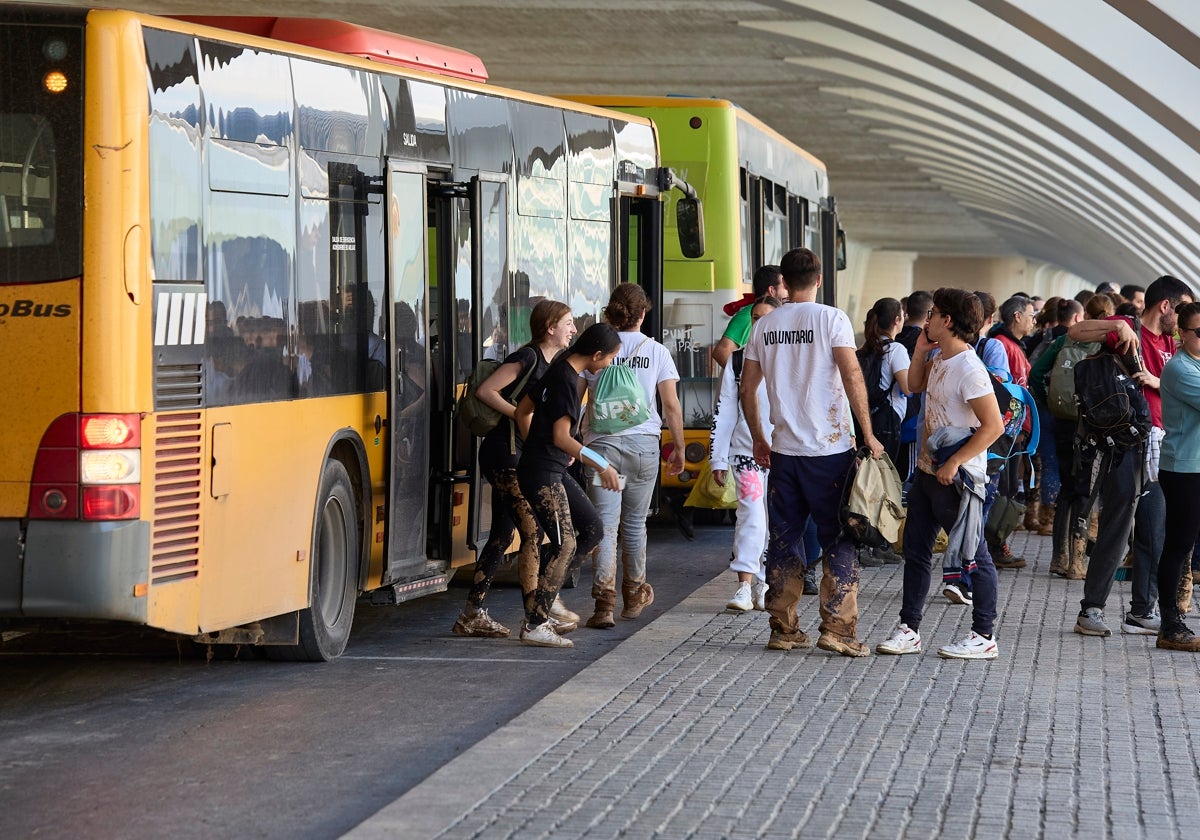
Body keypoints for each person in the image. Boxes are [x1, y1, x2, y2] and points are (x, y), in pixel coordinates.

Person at [739, 247, 884, 656]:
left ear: (783, 283)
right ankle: (837, 628)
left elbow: (747, 387)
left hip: (783, 452)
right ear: (819, 280)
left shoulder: (764, 326)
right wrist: (868, 433)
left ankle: (783, 629)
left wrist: (758, 437)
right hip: (830, 451)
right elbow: (851, 373)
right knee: (838, 537)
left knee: (784, 540)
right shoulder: (831, 319)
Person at [876, 288, 1005, 659]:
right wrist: (919, 350)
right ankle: (909, 628)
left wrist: (953, 462)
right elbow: (913, 386)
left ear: (946, 321)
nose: (926, 319)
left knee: (973, 555)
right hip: (928, 476)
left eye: (933, 314)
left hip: (958, 481)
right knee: (916, 551)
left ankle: (984, 635)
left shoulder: (970, 369)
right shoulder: (939, 359)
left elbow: (992, 426)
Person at [1070, 274, 1194, 638]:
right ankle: (1091, 609)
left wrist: (1159, 382)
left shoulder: (1178, 343)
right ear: (1166, 306)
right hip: (1127, 443)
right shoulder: (1130, 329)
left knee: (1155, 530)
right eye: (1182, 308)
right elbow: (1076, 334)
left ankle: (1143, 609)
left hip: (1163, 446)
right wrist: (1115, 328)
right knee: (1117, 527)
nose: (1186, 318)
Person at [451, 300, 579, 638]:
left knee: (502, 534)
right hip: (503, 455)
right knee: (533, 532)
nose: (574, 328)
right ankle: (535, 619)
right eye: (568, 322)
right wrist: (521, 416)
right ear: (550, 327)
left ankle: (472, 614)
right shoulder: (528, 357)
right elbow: (485, 390)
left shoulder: (557, 364)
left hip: (519, 457)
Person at [513, 323, 623, 648]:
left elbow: (522, 412)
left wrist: (539, 443)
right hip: (543, 472)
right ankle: (535, 623)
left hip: (549, 468)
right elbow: (561, 437)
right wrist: (600, 463)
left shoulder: (561, 368)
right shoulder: (565, 380)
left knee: (591, 529)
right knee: (565, 545)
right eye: (609, 359)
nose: (608, 365)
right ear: (597, 354)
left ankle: (547, 599)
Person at [583, 283, 686, 628]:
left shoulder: (595, 349)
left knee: (606, 527)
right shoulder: (656, 351)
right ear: (643, 313)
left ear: (610, 312)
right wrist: (679, 448)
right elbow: (670, 405)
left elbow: (577, 397)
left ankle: (602, 605)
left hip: (602, 449)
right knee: (634, 523)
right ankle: (634, 595)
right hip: (643, 446)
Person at [710, 296, 779, 612]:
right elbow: (724, 411)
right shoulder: (737, 362)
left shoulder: (790, 358)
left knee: (774, 520)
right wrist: (717, 458)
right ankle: (744, 585)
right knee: (750, 516)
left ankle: (767, 584)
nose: (760, 323)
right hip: (745, 452)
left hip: (784, 454)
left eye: (767, 317)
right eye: (756, 317)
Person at [1028, 298, 1088, 575]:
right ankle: (1078, 560)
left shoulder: (1061, 341)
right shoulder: (1102, 346)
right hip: (1089, 425)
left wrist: (1049, 402)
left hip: (1061, 420)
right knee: (1084, 490)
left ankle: (1058, 557)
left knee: (1066, 486)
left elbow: (1037, 372)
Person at [1155, 301, 1200, 651]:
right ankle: (1170, 622)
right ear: (1181, 334)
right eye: (1199, 332)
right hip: (1184, 469)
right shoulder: (1180, 369)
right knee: (1178, 545)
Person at [855, 297, 910, 464]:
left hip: (863, 421)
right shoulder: (895, 349)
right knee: (883, 477)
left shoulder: (862, 350)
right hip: (886, 423)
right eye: (903, 315)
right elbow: (908, 388)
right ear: (897, 320)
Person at [710, 265, 787, 368]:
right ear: (772, 290)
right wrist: (743, 379)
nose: (788, 291)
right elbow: (721, 352)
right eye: (784, 286)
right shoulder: (749, 314)